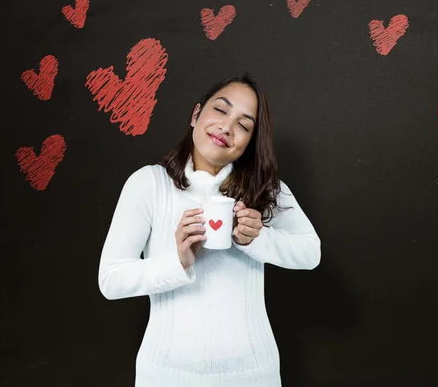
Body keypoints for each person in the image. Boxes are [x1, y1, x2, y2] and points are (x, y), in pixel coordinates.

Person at [98, 73, 321, 386]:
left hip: (253, 374)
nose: (227, 128)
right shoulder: (148, 184)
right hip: (166, 375)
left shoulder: (265, 189)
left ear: (249, 143)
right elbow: (111, 281)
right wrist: (177, 261)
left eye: (244, 125)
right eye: (220, 110)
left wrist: (259, 239)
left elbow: (311, 252)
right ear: (195, 115)